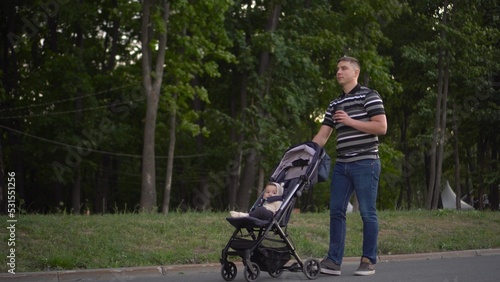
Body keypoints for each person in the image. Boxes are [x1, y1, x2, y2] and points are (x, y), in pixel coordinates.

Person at [312, 56, 387, 276]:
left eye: (344, 68)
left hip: (366, 162)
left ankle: (368, 260)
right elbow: (323, 136)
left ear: (356, 72)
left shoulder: (369, 96)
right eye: (337, 69)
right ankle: (334, 261)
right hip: (342, 165)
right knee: (336, 211)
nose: (339, 72)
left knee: (367, 212)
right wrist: (306, 153)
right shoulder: (334, 104)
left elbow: (381, 127)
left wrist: (350, 121)